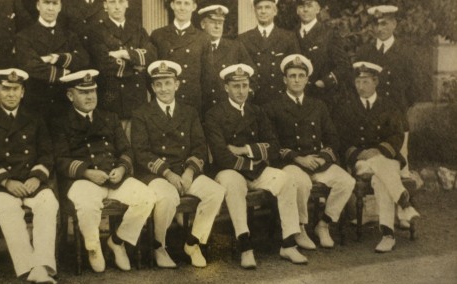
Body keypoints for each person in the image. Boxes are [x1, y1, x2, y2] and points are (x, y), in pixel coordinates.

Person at [204, 64, 309, 267]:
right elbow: (222, 156)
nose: (241, 91)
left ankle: (288, 244)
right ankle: (246, 246)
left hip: (253, 167)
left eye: (244, 85)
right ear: (226, 87)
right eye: (236, 86)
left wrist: (245, 149)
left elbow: (274, 146)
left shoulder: (257, 111)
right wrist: (254, 162)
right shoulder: (214, 114)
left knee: (286, 179)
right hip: (228, 171)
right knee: (233, 185)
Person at [52, 70, 155, 273]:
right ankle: (93, 247)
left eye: (93, 91)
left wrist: (121, 168)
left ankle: (117, 241)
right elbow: (60, 160)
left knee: (147, 197)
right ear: (70, 95)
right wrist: (87, 172)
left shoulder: (109, 117)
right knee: (87, 204)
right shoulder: (61, 122)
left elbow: (126, 150)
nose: (90, 96)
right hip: (83, 180)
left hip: (113, 177)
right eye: (83, 92)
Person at [131, 61, 225, 268]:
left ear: (177, 84)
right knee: (167, 196)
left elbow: (199, 146)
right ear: (153, 87)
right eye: (158, 84)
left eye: (168, 83)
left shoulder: (189, 112)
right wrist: (168, 174)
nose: (164, 89)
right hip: (156, 174)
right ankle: (159, 246)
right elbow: (141, 152)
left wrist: (190, 172)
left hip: (185, 171)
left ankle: (193, 242)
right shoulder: (142, 114)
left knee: (216, 192)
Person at [0, 68, 58, 284]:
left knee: (49, 204)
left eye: (15, 89)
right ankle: (30, 268)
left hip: (32, 183)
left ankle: (44, 266)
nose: (11, 94)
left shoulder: (35, 119)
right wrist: (7, 182)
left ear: (23, 92)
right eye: (5, 89)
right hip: (1, 187)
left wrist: (37, 177)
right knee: (9, 209)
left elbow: (47, 153)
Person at [263, 54, 355, 250]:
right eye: (292, 75)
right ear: (284, 79)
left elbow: (333, 138)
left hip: (316, 161)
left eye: (301, 75)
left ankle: (323, 224)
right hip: (290, 163)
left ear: (307, 79)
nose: (297, 80)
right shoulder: (273, 107)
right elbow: (272, 143)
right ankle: (300, 227)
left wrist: (322, 158)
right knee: (301, 182)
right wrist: (298, 158)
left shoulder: (318, 106)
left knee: (347, 181)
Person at [333, 62, 420, 252]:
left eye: (365, 81)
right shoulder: (347, 106)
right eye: (357, 81)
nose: (360, 86)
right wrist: (360, 153)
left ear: (376, 82)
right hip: (361, 162)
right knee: (383, 169)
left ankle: (388, 234)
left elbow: (397, 136)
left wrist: (379, 150)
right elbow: (341, 138)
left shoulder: (388, 105)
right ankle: (403, 206)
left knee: (381, 180)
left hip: (386, 158)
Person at [86, 0, 156, 137]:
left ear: (127, 3)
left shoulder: (137, 28)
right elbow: (104, 64)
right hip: (111, 99)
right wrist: (137, 63)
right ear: (105, 5)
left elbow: (151, 55)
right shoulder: (97, 31)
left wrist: (124, 54)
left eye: (120, 1)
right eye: (112, 2)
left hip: (136, 99)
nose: (117, 6)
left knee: (137, 145)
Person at [356, 5, 420, 174]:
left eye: (384, 24)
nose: (380, 29)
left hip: (396, 119)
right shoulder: (365, 52)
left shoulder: (406, 52)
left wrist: (402, 108)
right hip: (370, 119)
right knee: (370, 166)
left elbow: (415, 87)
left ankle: (402, 198)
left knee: (400, 165)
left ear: (394, 24)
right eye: (376, 25)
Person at [15, 0, 88, 119]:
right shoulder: (24, 36)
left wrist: (56, 58)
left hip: (63, 102)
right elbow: (30, 65)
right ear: (38, 5)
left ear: (60, 7)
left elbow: (83, 59)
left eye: (55, 3)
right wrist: (64, 73)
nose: (50, 8)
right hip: (36, 103)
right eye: (46, 2)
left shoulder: (69, 35)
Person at [150, 0, 214, 114]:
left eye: (186, 3)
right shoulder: (158, 35)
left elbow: (207, 79)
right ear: (172, 5)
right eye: (178, 3)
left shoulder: (203, 38)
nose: (182, 8)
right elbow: (149, 73)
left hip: (192, 104)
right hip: (163, 102)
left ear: (194, 6)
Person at [238, 0, 300, 105]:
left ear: (275, 11)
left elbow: (295, 71)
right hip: (254, 100)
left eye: (267, 7)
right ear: (255, 12)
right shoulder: (243, 39)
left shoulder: (288, 37)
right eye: (259, 8)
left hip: (280, 99)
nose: (263, 11)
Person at [292, 0, 350, 109]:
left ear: (318, 9)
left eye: (309, 6)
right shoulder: (291, 35)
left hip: (323, 97)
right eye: (302, 6)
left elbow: (343, 66)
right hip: (297, 96)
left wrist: (324, 82)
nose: (305, 9)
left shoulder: (329, 34)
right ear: (297, 10)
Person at [197, 4, 256, 113]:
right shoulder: (196, 47)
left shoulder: (235, 47)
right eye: (212, 22)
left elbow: (252, 76)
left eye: (220, 23)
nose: (217, 26)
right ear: (203, 24)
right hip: (202, 108)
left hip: (228, 109)